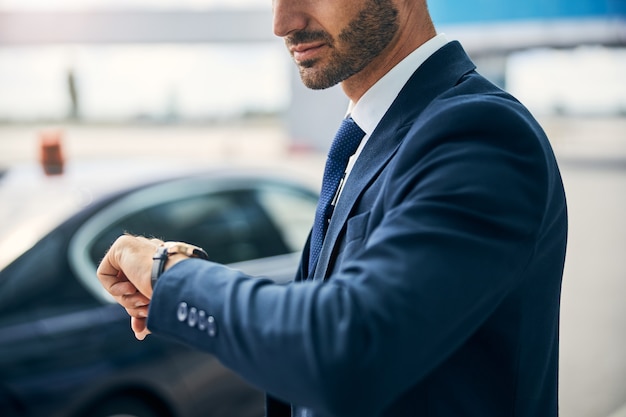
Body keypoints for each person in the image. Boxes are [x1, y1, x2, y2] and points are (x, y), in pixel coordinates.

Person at [96, 0, 568, 416]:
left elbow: (347, 345)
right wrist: (185, 282)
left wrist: (171, 275)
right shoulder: (374, 136)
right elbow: (339, 300)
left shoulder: (479, 133)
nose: (283, 22)